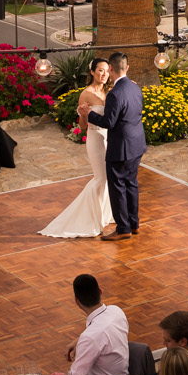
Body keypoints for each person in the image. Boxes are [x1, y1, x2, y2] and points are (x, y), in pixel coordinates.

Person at [42, 57, 115, 238]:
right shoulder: (86, 94)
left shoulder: (110, 91)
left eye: (107, 70)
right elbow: (82, 126)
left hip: (111, 139)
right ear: (92, 72)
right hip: (96, 139)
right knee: (100, 178)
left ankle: (105, 214)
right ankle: (87, 219)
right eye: (100, 70)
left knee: (109, 178)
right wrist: (84, 115)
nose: (104, 74)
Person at [87, 51, 146, 240]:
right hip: (137, 145)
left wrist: (89, 113)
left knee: (118, 187)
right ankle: (134, 224)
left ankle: (123, 229)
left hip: (120, 148)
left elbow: (108, 122)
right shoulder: (136, 88)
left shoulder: (115, 94)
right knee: (131, 184)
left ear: (111, 68)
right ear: (127, 67)